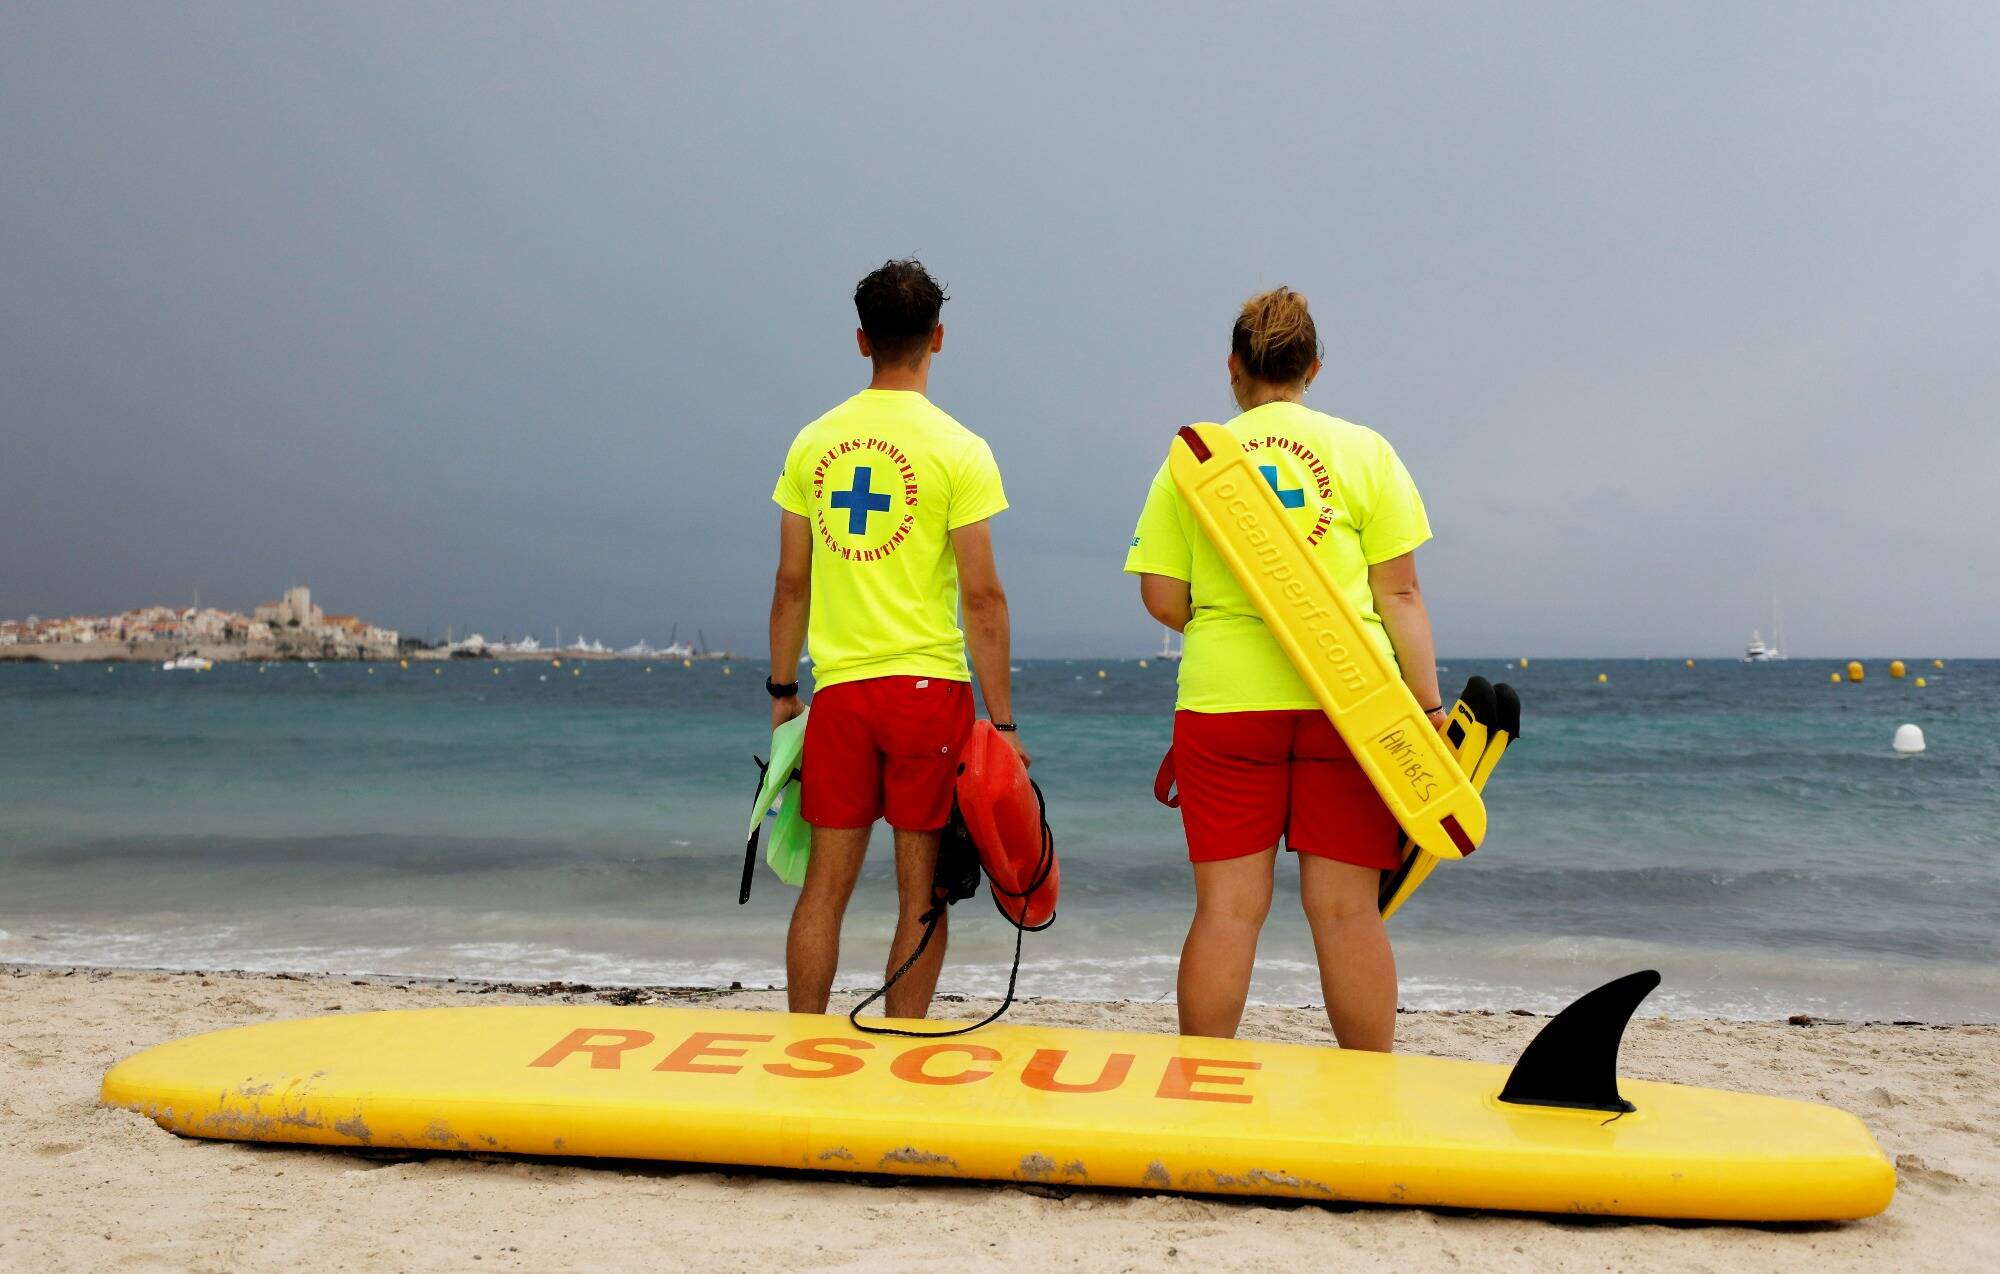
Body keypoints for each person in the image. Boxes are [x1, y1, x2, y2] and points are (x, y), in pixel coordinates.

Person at [1123, 287, 1443, 1050]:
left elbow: (1162, 598)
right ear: (1315, 369)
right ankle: (1369, 1097)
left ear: (1234, 368)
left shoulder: (1194, 462)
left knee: (1228, 910)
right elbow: (1399, 593)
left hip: (1226, 703)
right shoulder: (1366, 451)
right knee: (1345, 911)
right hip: (1353, 701)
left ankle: (1201, 1089)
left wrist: (1232, 615)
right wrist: (1427, 709)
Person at [766, 259, 1027, 1019]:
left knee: (826, 888)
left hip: (841, 693)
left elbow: (791, 584)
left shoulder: (813, 444)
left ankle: (804, 1042)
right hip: (926, 694)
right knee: (923, 893)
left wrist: (784, 692)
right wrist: (1003, 723)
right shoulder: (961, 448)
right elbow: (982, 597)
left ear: (861, 341)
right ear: (937, 339)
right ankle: (901, 1046)